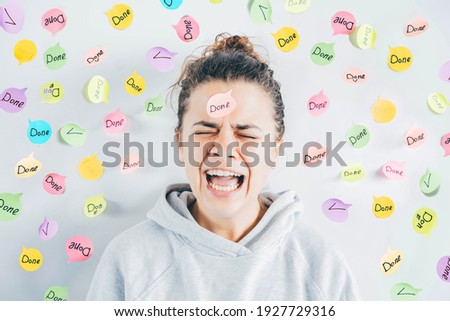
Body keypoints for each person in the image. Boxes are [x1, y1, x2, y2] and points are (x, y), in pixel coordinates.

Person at [86, 33, 359, 300]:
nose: (224, 149)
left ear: (275, 149)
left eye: (247, 134)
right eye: (206, 130)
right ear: (181, 143)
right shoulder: (128, 258)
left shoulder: (321, 265)